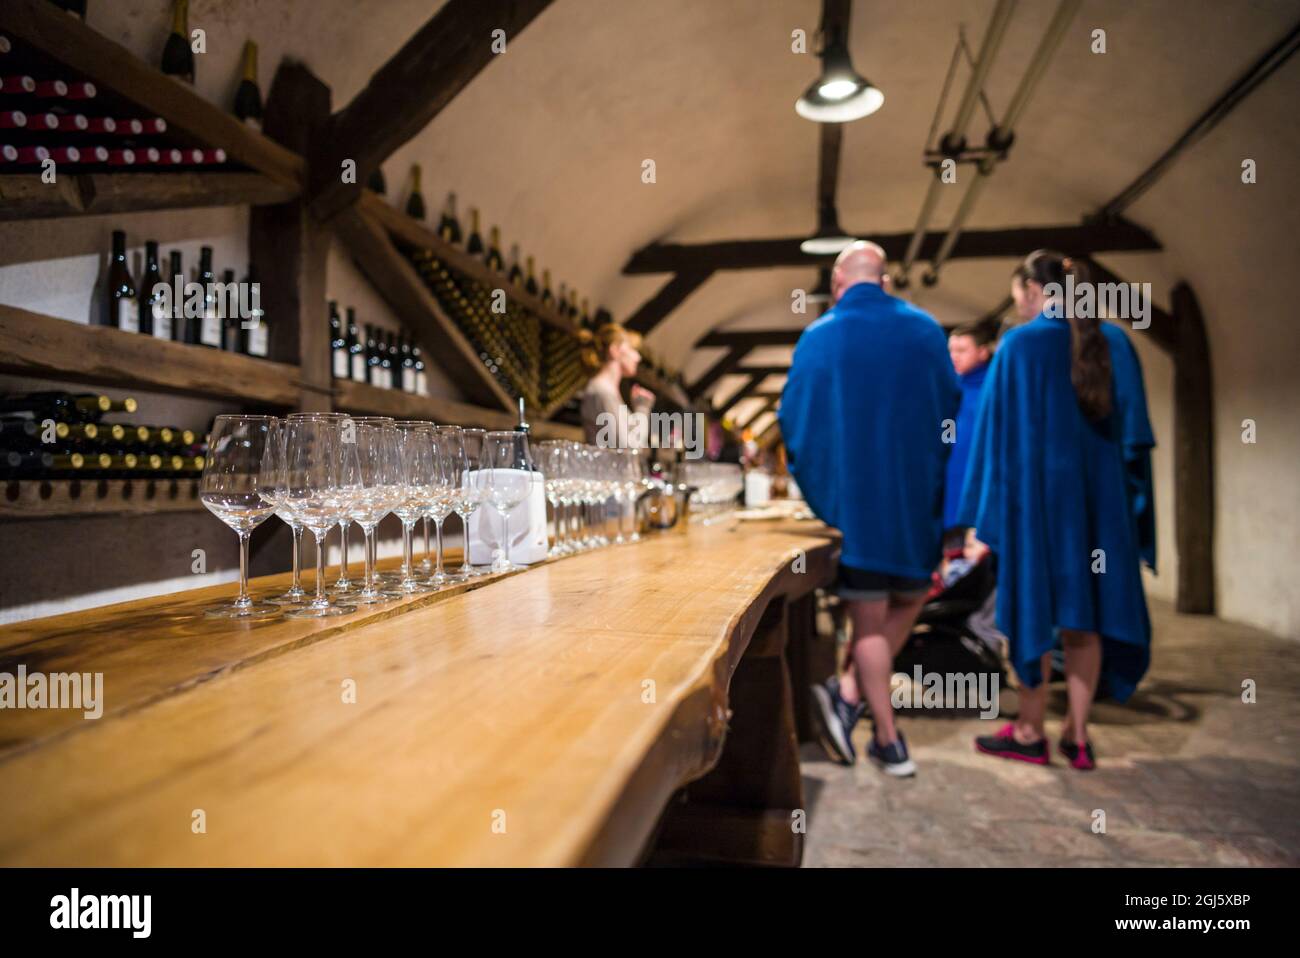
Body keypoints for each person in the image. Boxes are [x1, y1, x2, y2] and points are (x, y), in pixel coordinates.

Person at [960, 250, 1156, 770]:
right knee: (1084, 617)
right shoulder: (1115, 342)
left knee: (1033, 613)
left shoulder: (1020, 345)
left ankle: (1029, 730)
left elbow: (996, 439)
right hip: (1099, 509)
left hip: (1037, 508)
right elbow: (1134, 440)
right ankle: (1079, 733)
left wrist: (983, 516)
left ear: (1030, 290)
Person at [780, 241, 960, 776]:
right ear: (885, 280)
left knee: (870, 621)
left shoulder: (819, 337)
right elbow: (949, 409)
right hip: (913, 502)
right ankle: (853, 694)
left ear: (838, 285)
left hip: (858, 509)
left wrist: (827, 495)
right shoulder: (927, 330)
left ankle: (886, 738)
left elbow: (794, 425)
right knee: (910, 597)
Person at [943, 321, 996, 532]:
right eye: (951, 350)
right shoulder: (947, 388)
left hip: (979, 485)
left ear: (983, 352)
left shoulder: (994, 391)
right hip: (949, 483)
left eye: (962, 350)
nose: (954, 356)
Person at [578, 322, 654, 446]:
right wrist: (642, 408)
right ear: (614, 350)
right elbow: (628, 446)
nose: (638, 357)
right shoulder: (601, 391)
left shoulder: (608, 391)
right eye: (632, 349)